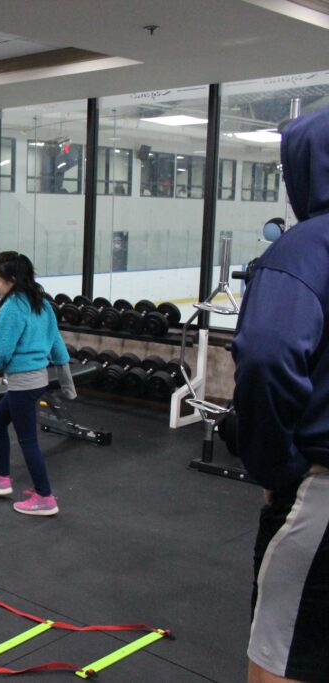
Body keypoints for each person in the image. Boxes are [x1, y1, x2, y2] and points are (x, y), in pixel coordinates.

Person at [232, 107, 329, 683]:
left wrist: (276, 468)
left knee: (280, 662)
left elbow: (267, 359)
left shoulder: (303, 250)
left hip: (321, 494)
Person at [0, 251, 76, 516]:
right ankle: (1, 477)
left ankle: (45, 497)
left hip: (23, 384)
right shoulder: (41, 303)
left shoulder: (12, 308)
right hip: (36, 381)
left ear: (12, 280)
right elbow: (57, 343)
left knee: (28, 441)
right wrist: (66, 381)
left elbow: (3, 349)